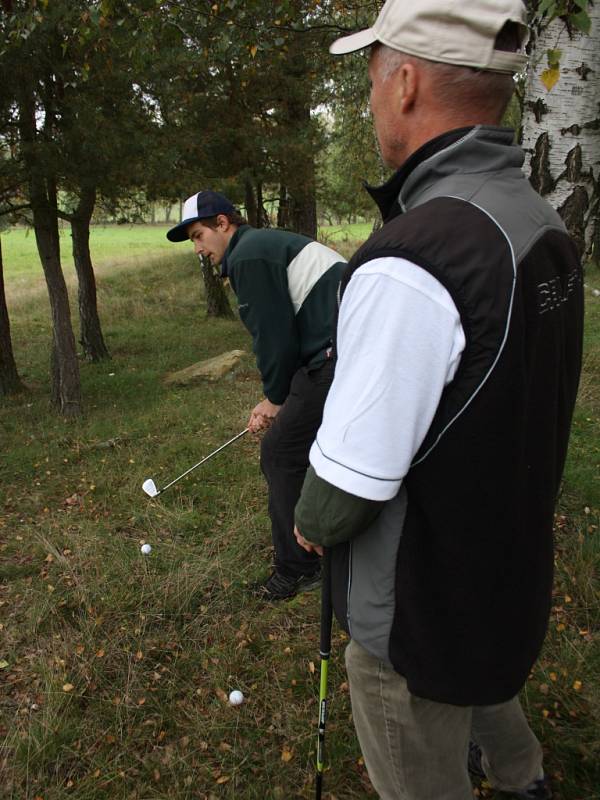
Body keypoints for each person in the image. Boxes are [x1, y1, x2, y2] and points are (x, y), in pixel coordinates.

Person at [294, 1, 584, 798]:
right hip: (498, 567)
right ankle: (524, 779)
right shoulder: (534, 217)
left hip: (415, 613)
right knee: (484, 675)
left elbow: (348, 485)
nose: (372, 99)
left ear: (408, 82)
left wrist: (307, 521)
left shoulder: (414, 259)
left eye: (373, 79)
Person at [167, 190, 346, 600]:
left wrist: (275, 399)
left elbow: (275, 338)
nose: (198, 248)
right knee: (303, 446)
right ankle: (324, 540)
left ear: (223, 224)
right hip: (335, 352)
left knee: (281, 452)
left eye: (198, 235)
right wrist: (278, 397)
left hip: (336, 356)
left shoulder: (248, 255)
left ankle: (300, 567)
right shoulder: (262, 246)